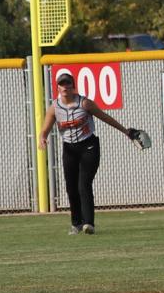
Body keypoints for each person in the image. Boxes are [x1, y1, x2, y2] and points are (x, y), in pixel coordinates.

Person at [36, 69, 146, 234]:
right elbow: (45, 129)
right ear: (57, 88)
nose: (65, 86)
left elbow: (105, 117)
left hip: (89, 146)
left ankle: (89, 224)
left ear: (73, 85)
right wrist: (42, 138)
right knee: (71, 188)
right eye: (61, 84)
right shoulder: (54, 108)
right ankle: (76, 224)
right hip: (69, 149)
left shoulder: (84, 103)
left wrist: (126, 131)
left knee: (83, 185)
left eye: (67, 83)